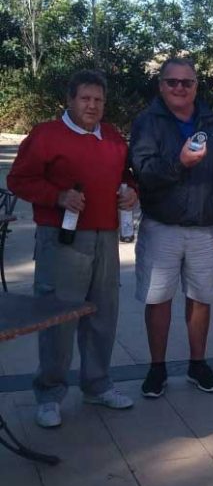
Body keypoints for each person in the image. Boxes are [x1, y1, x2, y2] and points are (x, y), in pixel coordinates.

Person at [8, 70, 137, 428]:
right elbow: (18, 179)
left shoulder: (112, 137)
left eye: (98, 100)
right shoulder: (46, 135)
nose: (92, 105)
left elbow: (126, 175)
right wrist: (58, 196)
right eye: (85, 99)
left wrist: (130, 190)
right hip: (61, 240)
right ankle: (49, 394)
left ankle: (97, 384)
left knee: (102, 315)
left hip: (105, 237)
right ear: (70, 99)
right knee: (59, 318)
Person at [130, 58, 213, 398]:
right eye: (172, 82)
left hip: (206, 228)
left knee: (201, 298)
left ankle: (197, 364)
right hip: (163, 227)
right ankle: (156, 368)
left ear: (195, 86)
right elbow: (144, 173)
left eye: (186, 82)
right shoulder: (147, 122)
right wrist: (180, 163)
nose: (179, 88)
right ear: (161, 85)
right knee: (158, 299)